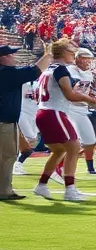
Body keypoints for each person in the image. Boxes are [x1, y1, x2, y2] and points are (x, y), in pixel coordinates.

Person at [33, 38, 96, 201]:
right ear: (63, 53)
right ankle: (70, 189)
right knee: (73, 147)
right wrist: (90, 99)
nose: (74, 55)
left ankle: (42, 185)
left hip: (44, 112)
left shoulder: (50, 68)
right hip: (54, 112)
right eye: (71, 52)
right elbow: (70, 95)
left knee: (60, 150)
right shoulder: (61, 70)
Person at [0, 42, 52, 201]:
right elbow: (35, 71)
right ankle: (3, 190)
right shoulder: (6, 73)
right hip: (4, 120)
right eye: (10, 55)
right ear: (2, 58)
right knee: (8, 156)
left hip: (6, 119)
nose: (13, 57)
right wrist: (48, 54)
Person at [65, 48, 96, 177]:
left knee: (90, 140)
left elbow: (85, 91)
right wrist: (92, 100)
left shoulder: (88, 73)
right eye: (86, 58)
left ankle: (90, 167)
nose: (88, 61)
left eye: (89, 59)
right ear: (78, 58)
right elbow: (75, 91)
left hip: (82, 109)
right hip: (70, 108)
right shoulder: (71, 71)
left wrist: (94, 97)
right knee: (73, 142)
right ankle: (62, 169)